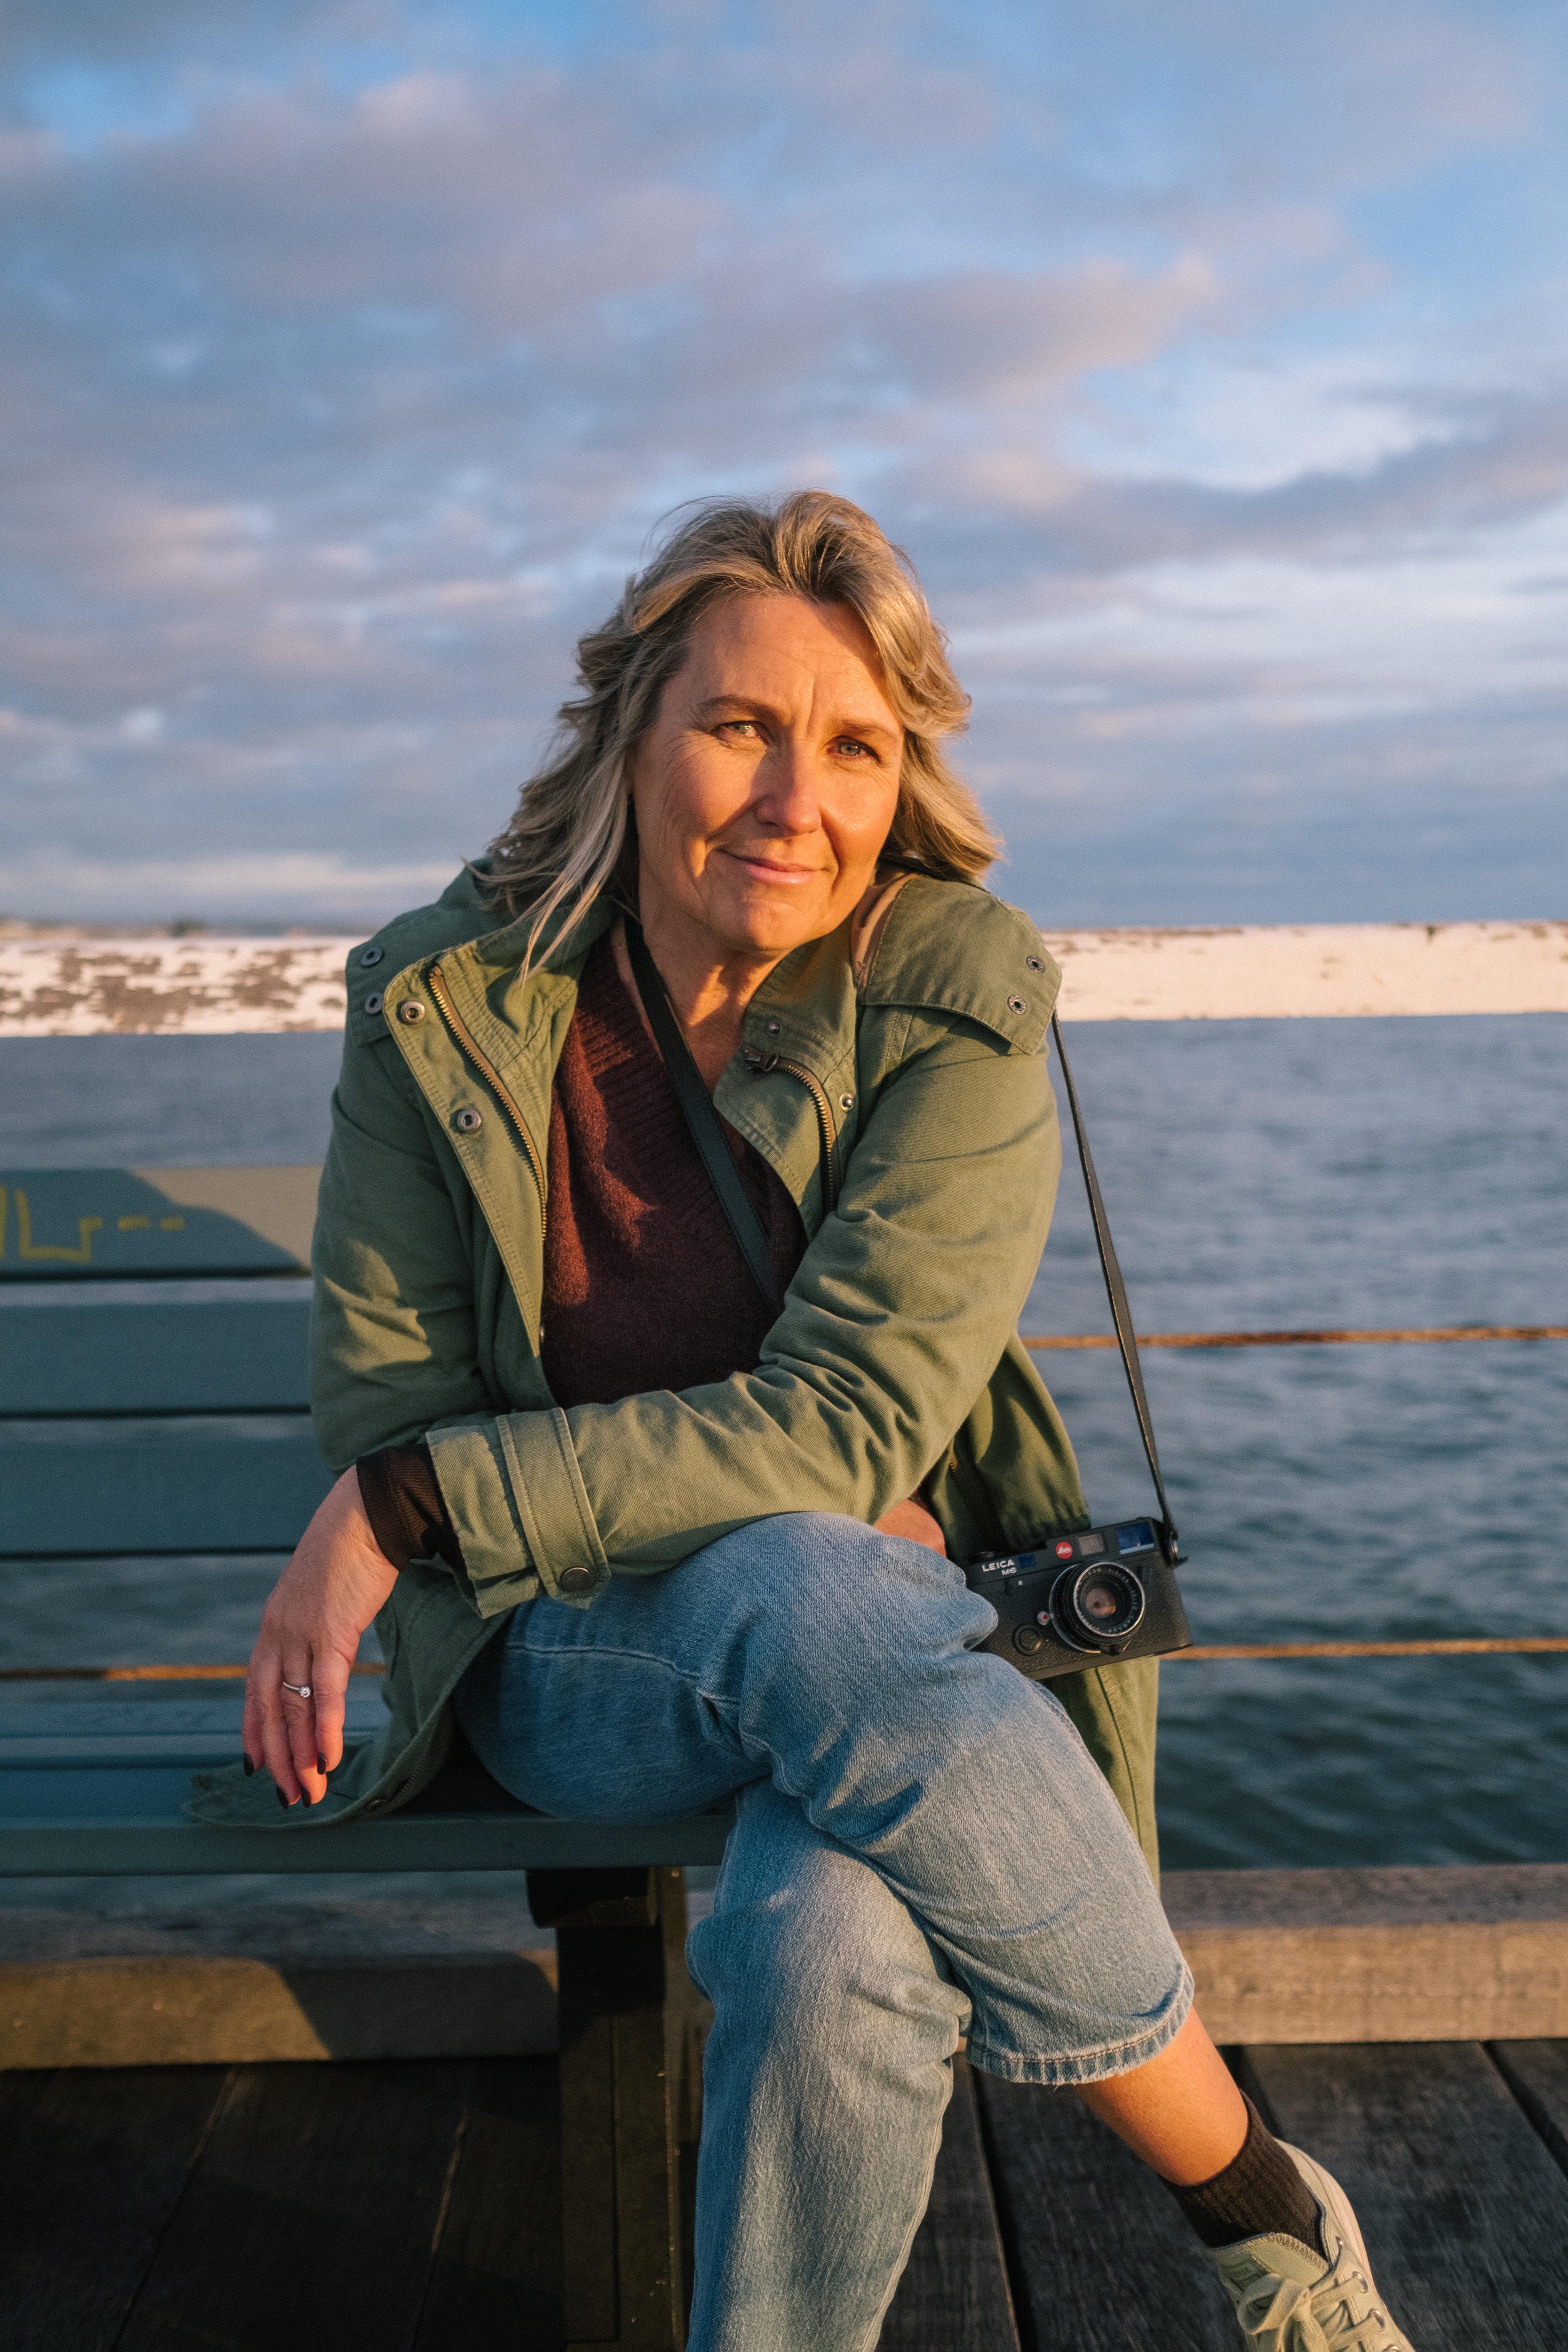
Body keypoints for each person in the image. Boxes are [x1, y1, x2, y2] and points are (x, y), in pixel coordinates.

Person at [210, 493, 1415, 2352]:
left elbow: (848, 1416)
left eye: (855, 744)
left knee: (825, 1934)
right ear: (631, 734)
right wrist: (427, 1485)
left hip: (862, 1647)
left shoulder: (956, 1004)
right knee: (815, 1573)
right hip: (565, 1659)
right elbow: (405, 1396)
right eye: (740, 725)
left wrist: (412, 1499)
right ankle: (1255, 2199)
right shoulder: (443, 1003)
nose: (799, 796)